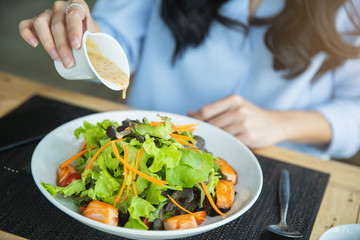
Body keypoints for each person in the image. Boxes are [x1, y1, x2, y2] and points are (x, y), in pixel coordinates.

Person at [19, 0, 360, 160]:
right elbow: (115, 41)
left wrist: (281, 124)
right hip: (141, 152)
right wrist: (80, 32)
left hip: (282, 164)